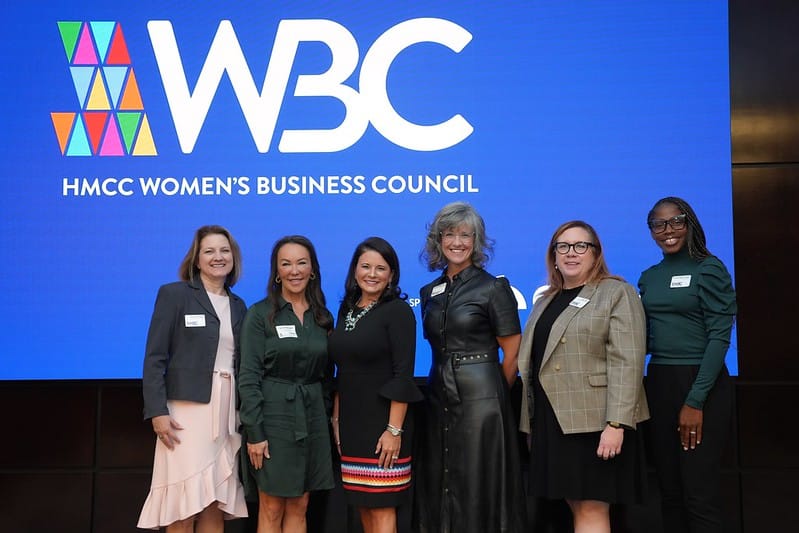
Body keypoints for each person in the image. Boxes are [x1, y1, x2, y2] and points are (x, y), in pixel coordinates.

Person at [518, 220, 649, 533]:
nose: (571, 253)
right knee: (574, 504)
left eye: (580, 246)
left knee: (591, 506)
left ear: (595, 253)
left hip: (596, 423)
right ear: (553, 255)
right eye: (562, 246)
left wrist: (616, 424)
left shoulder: (617, 292)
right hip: (553, 421)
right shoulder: (545, 300)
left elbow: (627, 362)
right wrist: (531, 423)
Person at [413, 201, 527, 533]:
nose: (457, 242)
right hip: (437, 397)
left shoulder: (493, 288)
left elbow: (513, 353)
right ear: (438, 240)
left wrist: (493, 397)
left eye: (466, 234)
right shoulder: (429, 291)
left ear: (477, 241)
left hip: (483, 400)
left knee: (478, 481)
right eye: (450, 234)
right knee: (440, 476)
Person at [138, 225, 249, 531]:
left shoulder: (240, 306)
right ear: (196, 259)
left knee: (214, 498)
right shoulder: (174, 295)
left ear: (233, 257)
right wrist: (157, 411)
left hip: (226, 412)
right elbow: (154, 358)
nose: (218, 257)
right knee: (184, 502)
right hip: (185, 413)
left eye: (224, 250)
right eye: (209, 251)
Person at [638, 197, 736, 533]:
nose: (667, 231)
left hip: (700, 384)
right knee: (669, 493)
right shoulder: (649, 277)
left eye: (676, 221)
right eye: (658, 224)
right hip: (660, 383)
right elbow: (649, 338)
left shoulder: (709, 268)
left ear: (689, 223)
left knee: (699, 494)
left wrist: (695, 401)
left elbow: (719, 339)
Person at [238, 235, 335, 533]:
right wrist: (255, 432)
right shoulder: (260, 315)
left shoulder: (322, 317)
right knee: (271, 506)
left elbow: (326, 376)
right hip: (272, 420)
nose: (295, 270)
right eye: (286, 263)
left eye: (301, 263)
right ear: (276, 272)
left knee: (300, 505)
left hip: (313, 418)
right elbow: (249, 377)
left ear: (313, 269)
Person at [328, 236, 423, 533]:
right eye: (365, 266)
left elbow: (403, 374)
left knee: (382, 511)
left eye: (380, 268)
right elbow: (343, 369)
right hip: (353, 425)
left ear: (392, 274)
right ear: (354, 270)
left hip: (384, 426)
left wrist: (394, 431)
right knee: (364, 510)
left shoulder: (398, 311)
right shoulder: (347, 309)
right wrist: (337, 416)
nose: (372, 274)